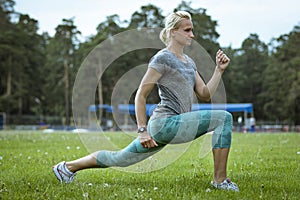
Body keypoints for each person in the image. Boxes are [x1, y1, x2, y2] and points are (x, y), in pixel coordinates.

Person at [52, 11, 239, 192]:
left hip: (174, 124)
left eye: (192, 30)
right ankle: (220, 181)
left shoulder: (189, 62)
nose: (192, 34)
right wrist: (142, 130)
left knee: (120, 158)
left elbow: (205, 94)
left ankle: (66, 168)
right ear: (173, 32)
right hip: (164, 124)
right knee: (224, 118)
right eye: (187, 30)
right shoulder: (162, 58)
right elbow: (141, 94)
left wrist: (219, 71)